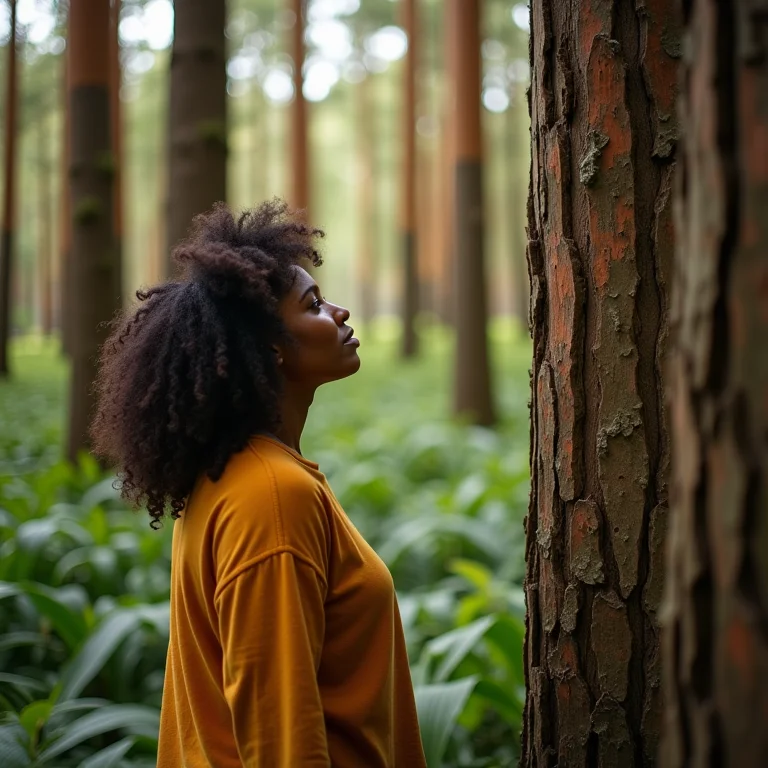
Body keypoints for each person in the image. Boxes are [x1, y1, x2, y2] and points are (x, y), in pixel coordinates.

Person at [90, 201, 427, 767]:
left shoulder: (243, 477)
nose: (341, 313)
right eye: (314, 305)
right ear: (272, 347)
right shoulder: (271, 497)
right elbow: (281, 741)